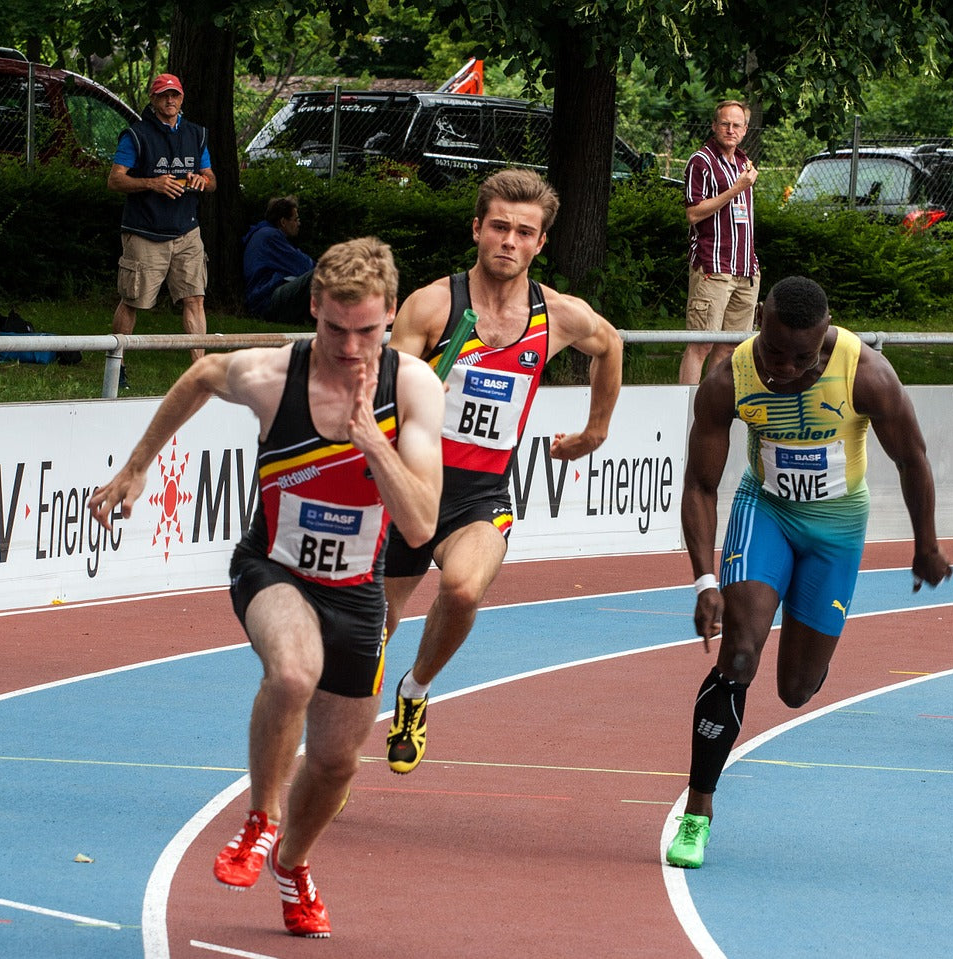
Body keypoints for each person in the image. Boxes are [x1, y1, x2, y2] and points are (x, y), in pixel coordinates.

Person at [87, 238, 445, 938]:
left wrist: (371, 440)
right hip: (272, 569)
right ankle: (259, 819)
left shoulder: (412, 388)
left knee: (339, 759)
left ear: (391, 315)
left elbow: (421, 521)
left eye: (367, 330)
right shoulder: (271, 375)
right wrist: (136, 468)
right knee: (291, 670)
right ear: (313, 308)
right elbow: (198, 377)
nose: (349, 346)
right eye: (334, 329)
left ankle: (293, 862)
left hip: (355, 591)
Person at [665, 275, 953, 869]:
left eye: (804, 357)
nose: (788, 370)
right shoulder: (729, 379)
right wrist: (704, 580)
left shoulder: (866, 374)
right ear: (760, 322)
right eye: (775, 353)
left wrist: (926, 543)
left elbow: (912, 457)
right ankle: (698, 812)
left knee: (795, 690)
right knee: (739, 656)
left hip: (836, 530)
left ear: (826, 337)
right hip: (765, 513)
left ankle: (805, 615)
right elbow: (699, 484)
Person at [382, 168, 623, 774]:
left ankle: (414, 692)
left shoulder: (557, 315)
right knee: (367, 642)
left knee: (464, 588)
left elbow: (611, 344)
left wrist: (596, 431)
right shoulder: (434, 305)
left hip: (479, 495)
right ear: (477, 230)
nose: (509, 241)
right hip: (406, 491)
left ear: (540, 244)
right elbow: (377, 392)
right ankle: (335, 752)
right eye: (499, 228)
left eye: (524, 232)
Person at [108, 72, 215, 377]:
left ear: (182, 99)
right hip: (145, 231)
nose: (170, 100)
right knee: (133, 300)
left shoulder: (197, 135)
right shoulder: (136, 135)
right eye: (164, 95)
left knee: (195, 298)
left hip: (187, 231)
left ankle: (199, 372)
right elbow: (115, 179)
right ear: (153, 100)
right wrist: (152, 184)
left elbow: (212, 180)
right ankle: (118, 365)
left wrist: (200, 179)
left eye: (175, 95)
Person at [678, 100, 760, 385]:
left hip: (744, 269)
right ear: (714, 126)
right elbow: (693, 213)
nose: (730, 129)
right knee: (701, 344)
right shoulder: (701, 161)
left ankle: (710, 410)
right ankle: (686, 411)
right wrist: (735, 188)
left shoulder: (743, 162)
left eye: (737, 125)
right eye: (725, 123)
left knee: (730, 347)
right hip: (713, 265)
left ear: (745, 129)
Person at [243, 195, 315, 324]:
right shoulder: (271, 236)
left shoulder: (263, 234)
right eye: (295, 219)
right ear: (283, 222)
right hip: (266, 299)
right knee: (319, 274)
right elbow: (303, 266)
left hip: (263, 298)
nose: (298, 224)